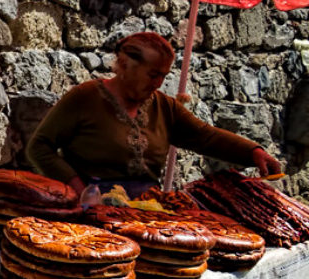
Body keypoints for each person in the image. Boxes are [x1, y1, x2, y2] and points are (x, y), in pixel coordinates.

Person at [27, 31, 282, 198]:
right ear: (125, 65)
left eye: (164, 75)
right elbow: (40, 146)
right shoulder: (85, 97)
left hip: (146, 209)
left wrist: (253, 152)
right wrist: (79, 189)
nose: (159, 83)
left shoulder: (164, 107)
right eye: (153, 74)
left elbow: (205, 137)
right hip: (89, 210)